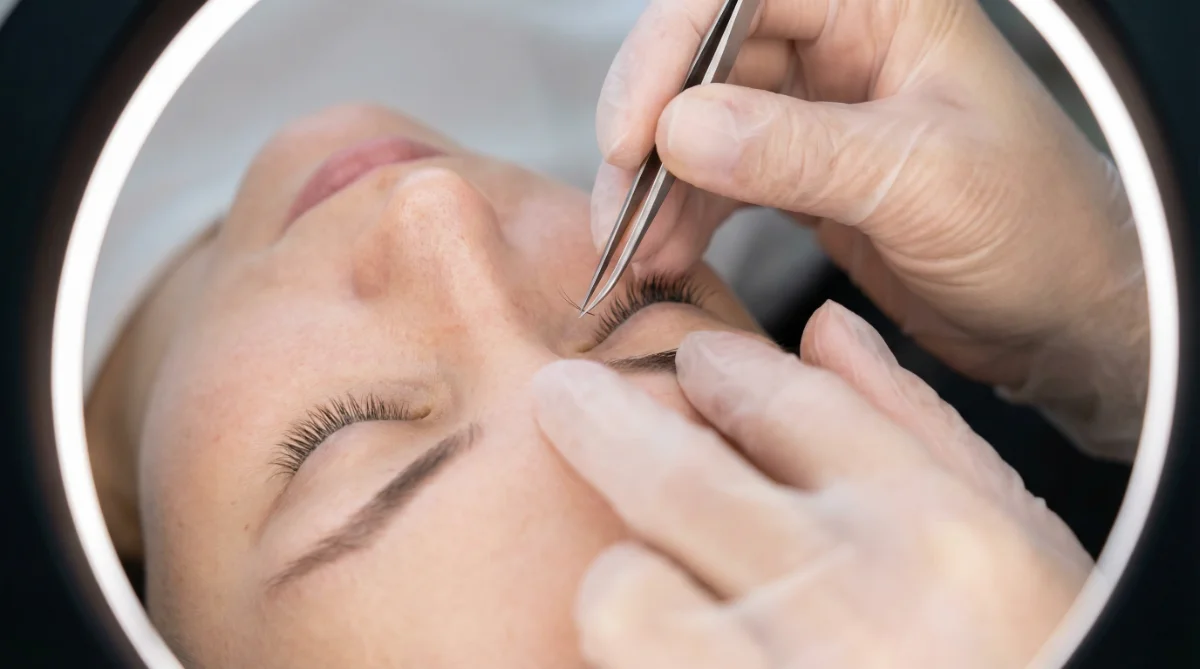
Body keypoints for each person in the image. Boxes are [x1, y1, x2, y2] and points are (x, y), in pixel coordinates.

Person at [80, 1, 1147, 669]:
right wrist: (1121, 311)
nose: (436, 211)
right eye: (651, 323)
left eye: (343, 438)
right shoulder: (763, 121)